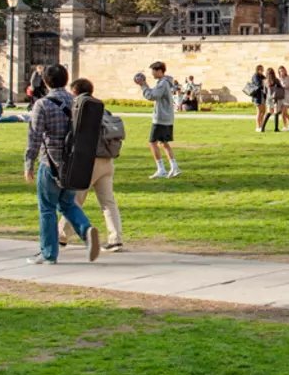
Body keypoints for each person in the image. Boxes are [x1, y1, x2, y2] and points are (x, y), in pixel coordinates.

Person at [22, 63, 100, 265]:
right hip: (73, 163)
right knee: (67, 204)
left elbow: (35, 137)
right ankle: (85, 229)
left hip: (50, 163)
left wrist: (28, 163)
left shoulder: (43, 104)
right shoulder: (77, 102)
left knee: (47, 208)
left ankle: (49, 253)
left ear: (46, 82)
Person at [58, 79, 125, 253]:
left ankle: (61, 235)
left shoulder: (80, 108)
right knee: (108, 202)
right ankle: (115, 238)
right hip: (107, 160)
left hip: (88, 161)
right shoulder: (102, 107)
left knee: (75, 200)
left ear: (74, 91)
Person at [137, 61, 180, 177]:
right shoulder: (165, 82)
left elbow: (152, 96)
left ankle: (161, 169)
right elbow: (154, 93)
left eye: (153, 71)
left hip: (161, 118)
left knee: (152, 143)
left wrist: (143, 85)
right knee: (163, 143)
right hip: (167, 117)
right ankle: (174, 167)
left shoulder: (163, 83)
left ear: (159, 71)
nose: (152, 74)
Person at [272, 66, 289, 131]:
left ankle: (286, 126)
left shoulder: (288, 77)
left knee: (283, 112)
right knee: (285, 113)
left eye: (282, 70)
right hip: (280, 97)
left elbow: (288, 85)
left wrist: (282, 86)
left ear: (285, 71)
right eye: (280, 71)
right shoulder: (278, 79)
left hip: (287, 97)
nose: (281, 72)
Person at [249, 64, 268, 131]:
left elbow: (267, 82)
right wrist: (264, 83)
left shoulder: (262, 76)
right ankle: (257, 127)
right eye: (260, 69)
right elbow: (259, 85)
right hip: (257, 97)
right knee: (259, 112)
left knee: (264, 111)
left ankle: (262, 126)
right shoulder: (255, 76)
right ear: (257, 69)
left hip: (263, 96)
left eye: (262, 69)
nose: (261, 70)